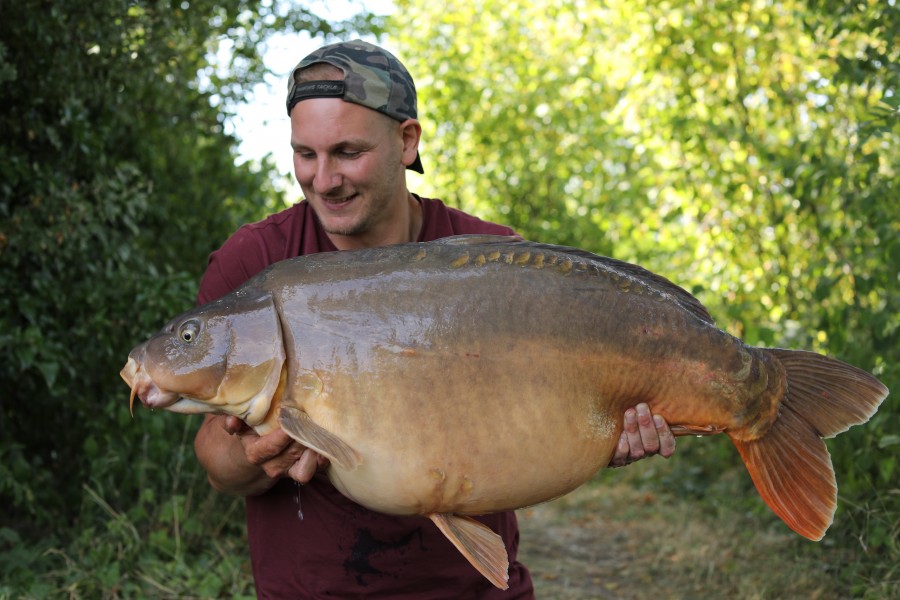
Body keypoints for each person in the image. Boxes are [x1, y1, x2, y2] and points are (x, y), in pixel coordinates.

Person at [193, 39, 676, 599]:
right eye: (306, 154)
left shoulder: (497, 265)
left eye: (348, 152)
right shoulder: (257, 263)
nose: (323, 180)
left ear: (407, 140)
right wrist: (256, 456)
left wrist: (597, 434)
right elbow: (215, 460)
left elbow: (549, 422)